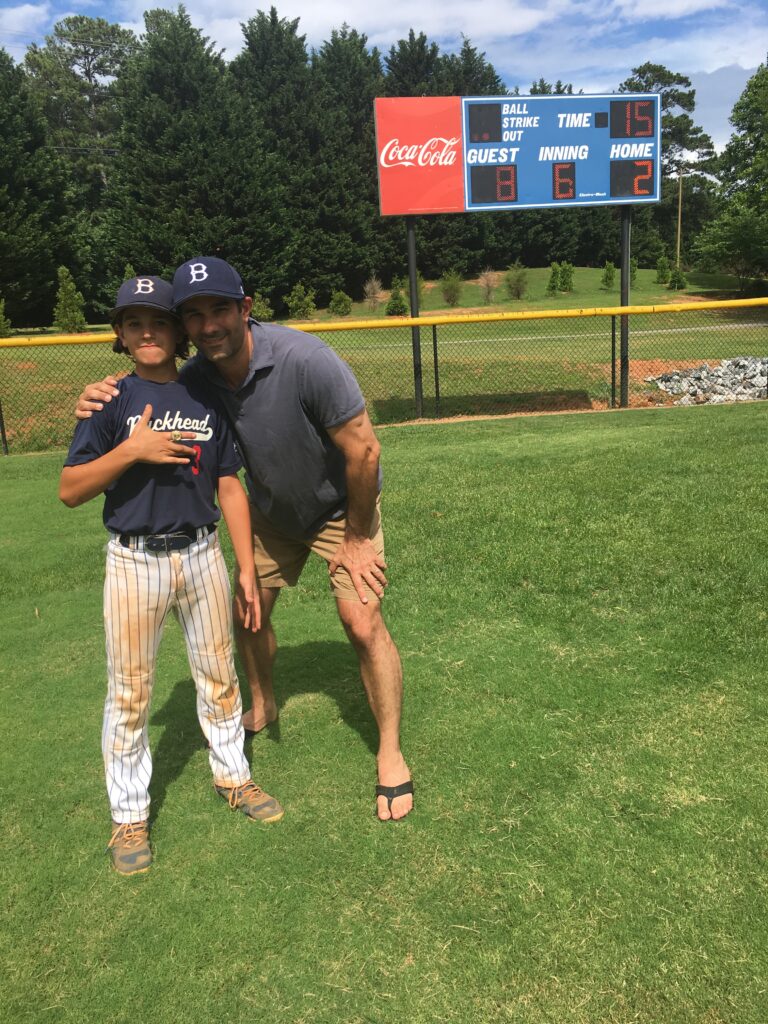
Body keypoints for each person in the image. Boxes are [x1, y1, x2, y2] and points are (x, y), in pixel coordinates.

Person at [77, 258, 413, 821]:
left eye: (220, 310)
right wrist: (95, 397)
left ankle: (390, 753)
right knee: (248, 612)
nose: (209, 325)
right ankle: (264, 702)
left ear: (246, 309)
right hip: (273, 512)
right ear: (184, 325)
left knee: (361, 621)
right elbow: (145, 392)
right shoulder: (196, 379)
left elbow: (365, 451)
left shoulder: (306, 360)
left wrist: (356, 537)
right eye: (194, 315)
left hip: (341, 509)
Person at [61, 275, 284, 876]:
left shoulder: (201, 396)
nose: (147, 332)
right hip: (135, 559)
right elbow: (69, 490)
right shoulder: (111, 401)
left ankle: (234, 777)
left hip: (203, 552)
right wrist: (130, 451)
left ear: (178, 330)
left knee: (218, 675)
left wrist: (244, 565)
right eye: (134, 323)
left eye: (159, 320)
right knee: (130, 693)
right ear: (120, 336)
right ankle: (129, 815)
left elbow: (228, 482)